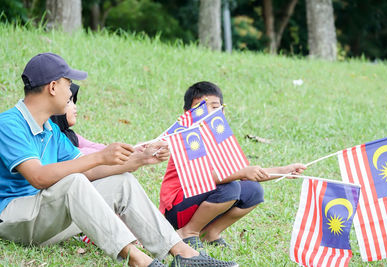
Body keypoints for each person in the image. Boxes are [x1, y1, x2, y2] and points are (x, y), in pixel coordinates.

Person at [0, 53, 238, 267]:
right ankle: (139, 260)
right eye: (68, 84)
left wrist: (139, 160)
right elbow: (39, 177)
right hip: (16, 220)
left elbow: (89, 171)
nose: (70, 91)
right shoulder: (10, 124)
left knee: (121, 180)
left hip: (44, 218)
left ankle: (183, 254)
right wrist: (100, 157)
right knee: (74, 182)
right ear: (53, 87)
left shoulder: (51, 129)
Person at [159, 81, 307, 249]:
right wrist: (242, 173)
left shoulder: (220, 141)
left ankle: (210, 233)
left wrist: (283, 170)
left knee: (253, 190)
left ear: (222, 111)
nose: (208, 113)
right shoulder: (187, 139)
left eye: (214, 107)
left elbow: (246, 173)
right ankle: (187, 233)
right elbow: (203, 178)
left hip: (199, 203)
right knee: (230, 188)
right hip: (177, 209)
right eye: (200, 109)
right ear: (187, 114)